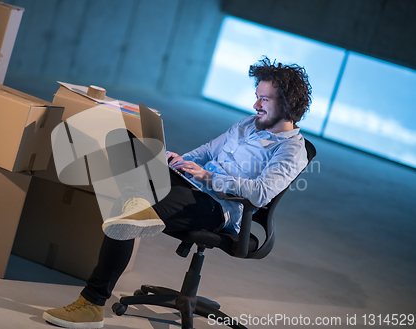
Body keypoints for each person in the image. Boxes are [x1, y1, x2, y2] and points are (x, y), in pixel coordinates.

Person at [42, 57, 312, 328]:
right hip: (190, 185)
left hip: (217, 207)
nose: (256, 105)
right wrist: (181, 161)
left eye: (264, 100)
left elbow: (260, 194)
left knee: (127, 214)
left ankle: (91, 305)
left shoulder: (291, 149)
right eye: (257, 97)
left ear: (287, 104)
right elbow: (208, 151)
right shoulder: (247, 123)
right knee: (123, 141)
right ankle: (138, 203)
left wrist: (208, 175)